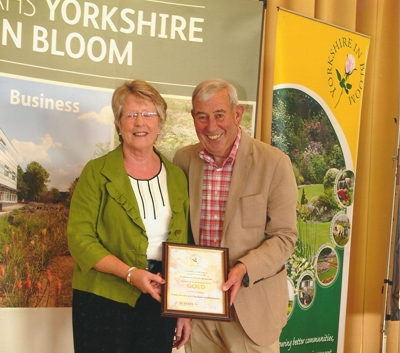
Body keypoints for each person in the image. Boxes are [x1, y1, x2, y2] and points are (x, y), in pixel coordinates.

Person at [173, 78, 298, 353]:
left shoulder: (274, 163)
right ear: (193, 117)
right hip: (201, 311)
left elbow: (285, 237)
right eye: (202, 117)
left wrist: (243, 270)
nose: (211, 126)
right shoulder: (182, 161)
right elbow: (180, 233)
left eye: (219, 115)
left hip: (253, 310)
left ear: (237, 114)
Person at [68, 79, 192, 353]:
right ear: (119, 123)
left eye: (148, 114)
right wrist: (129, 273)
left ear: (160, 122)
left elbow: (186, 245)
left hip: (160, 299)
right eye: (131, 114)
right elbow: (80, 239)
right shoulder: (96, 172)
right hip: (102, 299)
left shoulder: (177, 176)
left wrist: (183, 307)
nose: (140, 122)